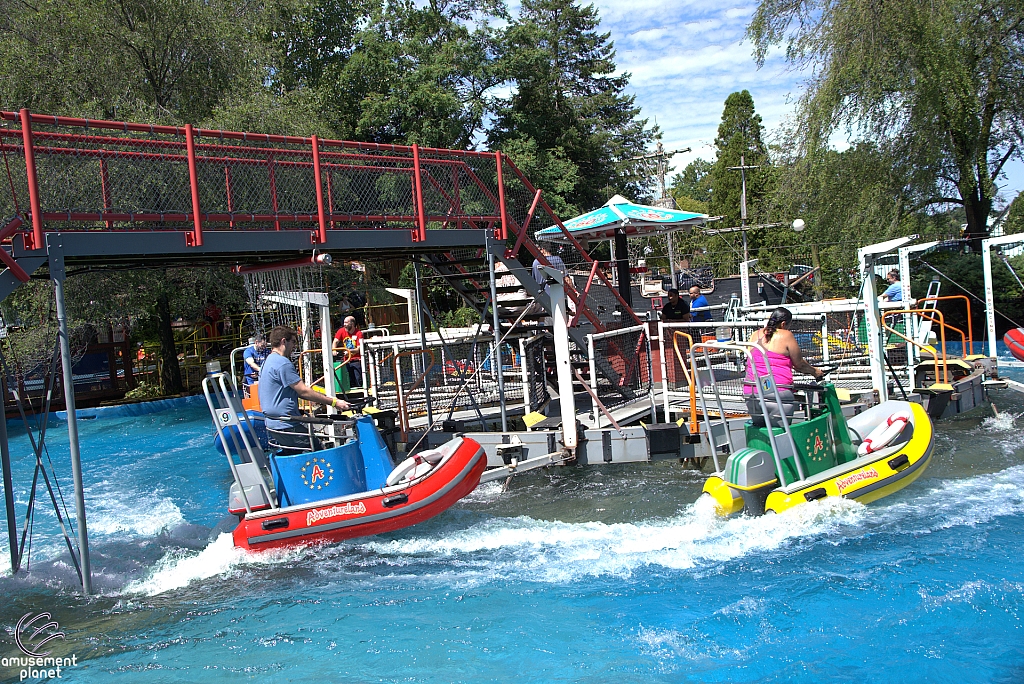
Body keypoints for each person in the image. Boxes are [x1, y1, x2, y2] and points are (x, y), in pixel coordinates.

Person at [259, 325, 350, 452]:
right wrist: (334, 402)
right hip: (287, 424)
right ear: (283, 341)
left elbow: (295, 392)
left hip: (273, 424)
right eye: (293, 342)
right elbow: (303, 390)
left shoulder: (267, 362)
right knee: (318, 450)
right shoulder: (282, 363)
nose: (294, 347)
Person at [744, 307, 824, 426]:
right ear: (783, 323)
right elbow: (800, 364)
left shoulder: (756, 334)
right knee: (781, 434)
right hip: (776, 391)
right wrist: (816, 372)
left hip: (750, 391)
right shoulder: (786, 335)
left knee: (761, 431)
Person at [332, 316, 364, 388]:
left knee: (358, 379)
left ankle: (360, 393)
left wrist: (348, 351)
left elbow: (358, 349)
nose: (344, 324)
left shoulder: (359, 333)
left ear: (352, 324)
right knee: (349, 380)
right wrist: (334, 350)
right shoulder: (341, 331)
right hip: (346, 360)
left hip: (357, 360)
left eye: (346, 323)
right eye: (344, 323)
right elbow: (335, 341)